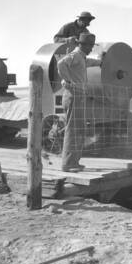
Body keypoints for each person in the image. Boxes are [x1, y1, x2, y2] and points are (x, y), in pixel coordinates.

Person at [57, 33, 101, 172]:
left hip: (78, 96)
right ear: (83, 45)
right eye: (90, 46)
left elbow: (90, 62)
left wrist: (101, 61)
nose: (91, 49)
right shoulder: (76, 55)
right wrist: (68, 80)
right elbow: (61, 63)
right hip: (73, 95)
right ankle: (67, 164)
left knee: (78, 129)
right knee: (73, 129)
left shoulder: (81, 58)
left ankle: (73, 162)